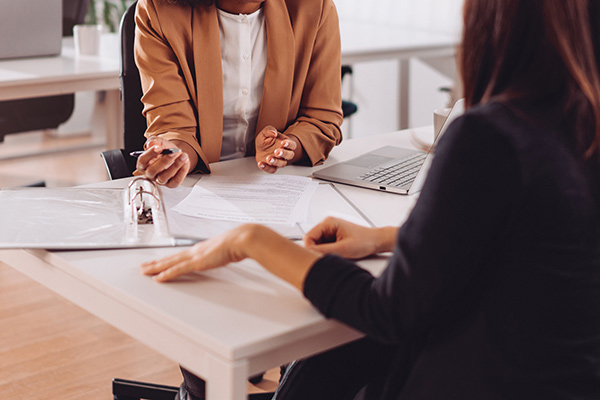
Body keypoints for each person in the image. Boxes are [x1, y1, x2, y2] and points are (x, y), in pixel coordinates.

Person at [141, 0, 600, 399]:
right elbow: (534, 235)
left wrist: (253, 241)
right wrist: (385, 236)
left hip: (487, 382)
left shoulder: (489, 138)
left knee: (331, 353)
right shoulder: (578, 126)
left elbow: (388, 310)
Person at [133, 0, 343, 188]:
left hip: (278, 185)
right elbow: (174, 127)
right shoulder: (157, 11)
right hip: (197, 187)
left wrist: (284, 147)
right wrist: (175, 157)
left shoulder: (316, 7)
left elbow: (322, 118)